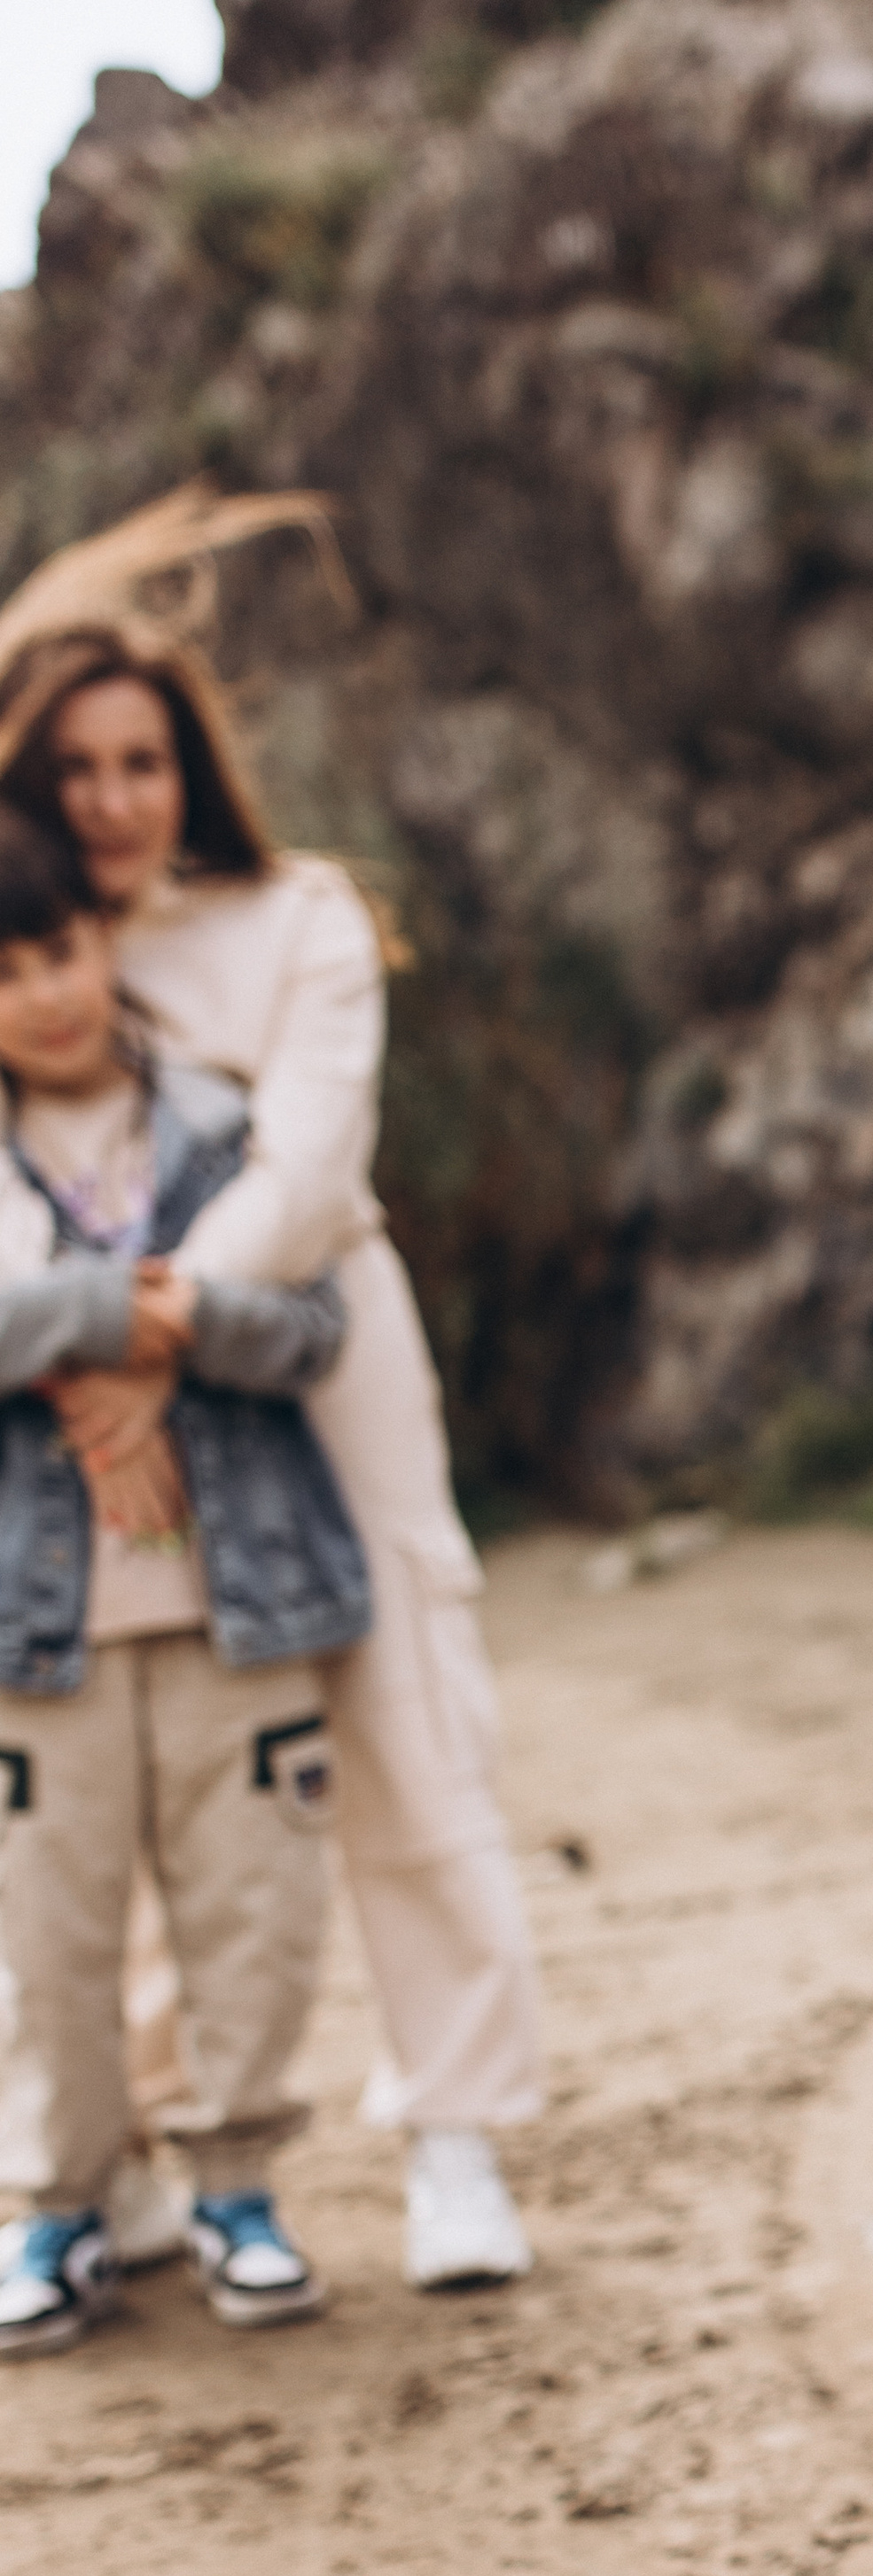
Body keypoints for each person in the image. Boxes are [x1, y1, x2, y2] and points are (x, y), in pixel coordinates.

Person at [0, 489, 542, 2290]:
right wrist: (102, 1352)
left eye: (139, 758)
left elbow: (307, 1167)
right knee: (148, 1728)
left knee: (395, 1690)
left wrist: (139, 1328)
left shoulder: (299, 911)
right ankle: (143, 2138)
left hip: (312, 1328)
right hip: (96, 1381)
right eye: (72, 765)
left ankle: (454, 2130)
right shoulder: (41, 948)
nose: (109, 797)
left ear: (187, 763)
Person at [0, 806, 367, 2352]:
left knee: (250, 1914)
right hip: (38, 1637)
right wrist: (112, 1317)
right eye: (4, 968)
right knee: (49, 1937)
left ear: (106, 944)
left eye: (60, 948)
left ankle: (236, 2190)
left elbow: (313, 1324)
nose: (45, 990)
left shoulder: (221, 1128)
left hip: (243, 1610)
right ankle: (58, 2205)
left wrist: (185, 1327)